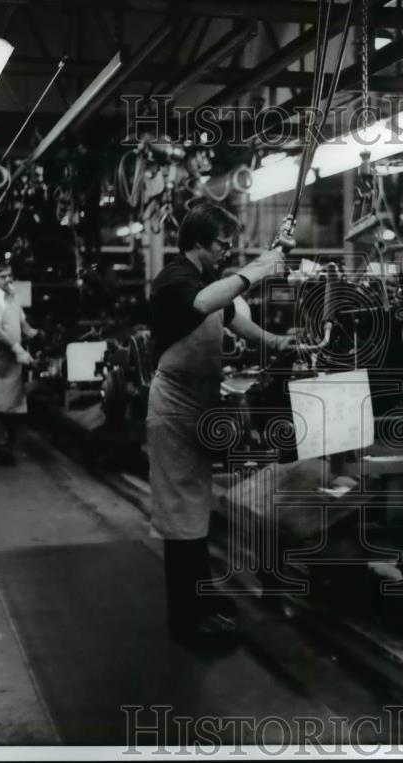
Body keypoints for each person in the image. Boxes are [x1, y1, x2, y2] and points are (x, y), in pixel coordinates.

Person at [147, 203, 295, 645]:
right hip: (174, 407)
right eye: (220, 244)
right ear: (196, 243)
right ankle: (187, 621)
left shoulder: (208, 282)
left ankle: (203, 600)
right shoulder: (176, 280)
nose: (226, 252)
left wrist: (279, 342)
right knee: (181, 518)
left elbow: (237, 321)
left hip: (197, 405)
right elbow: (205, 303)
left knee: (195, 512)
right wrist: (263, 266)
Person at [0, 263, 38, 465]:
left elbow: (23, 323)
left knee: (14, 404)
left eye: (10, 276)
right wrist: (17, 348)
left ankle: (8, 447)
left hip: (12, 357)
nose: (8, 280)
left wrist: (35, 334)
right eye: (3, 277)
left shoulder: (12, 296)